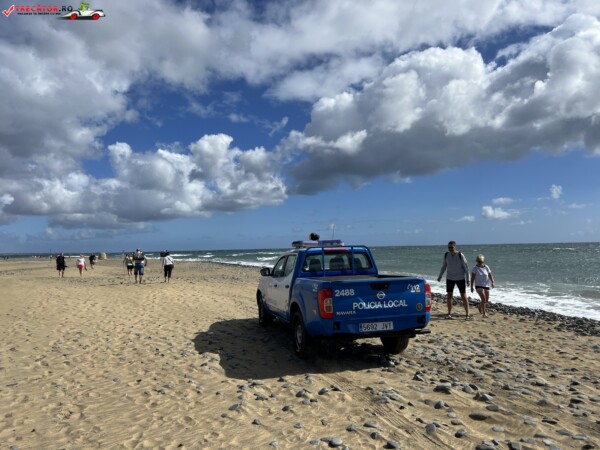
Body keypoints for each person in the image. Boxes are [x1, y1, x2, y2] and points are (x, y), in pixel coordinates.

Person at [437, 241, 471, 320]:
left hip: (460, 278)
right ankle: (449, 313)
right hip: (450, 278)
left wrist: (468, 279)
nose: (450, 249)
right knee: (449, 295)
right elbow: (444, 266)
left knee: (463, 295)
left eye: (451, 247)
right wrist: (440, 275)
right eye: (449, 247)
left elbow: (466, 268)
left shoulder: (460, 255)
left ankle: (467, 314)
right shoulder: (446, 255)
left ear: (455, 247)